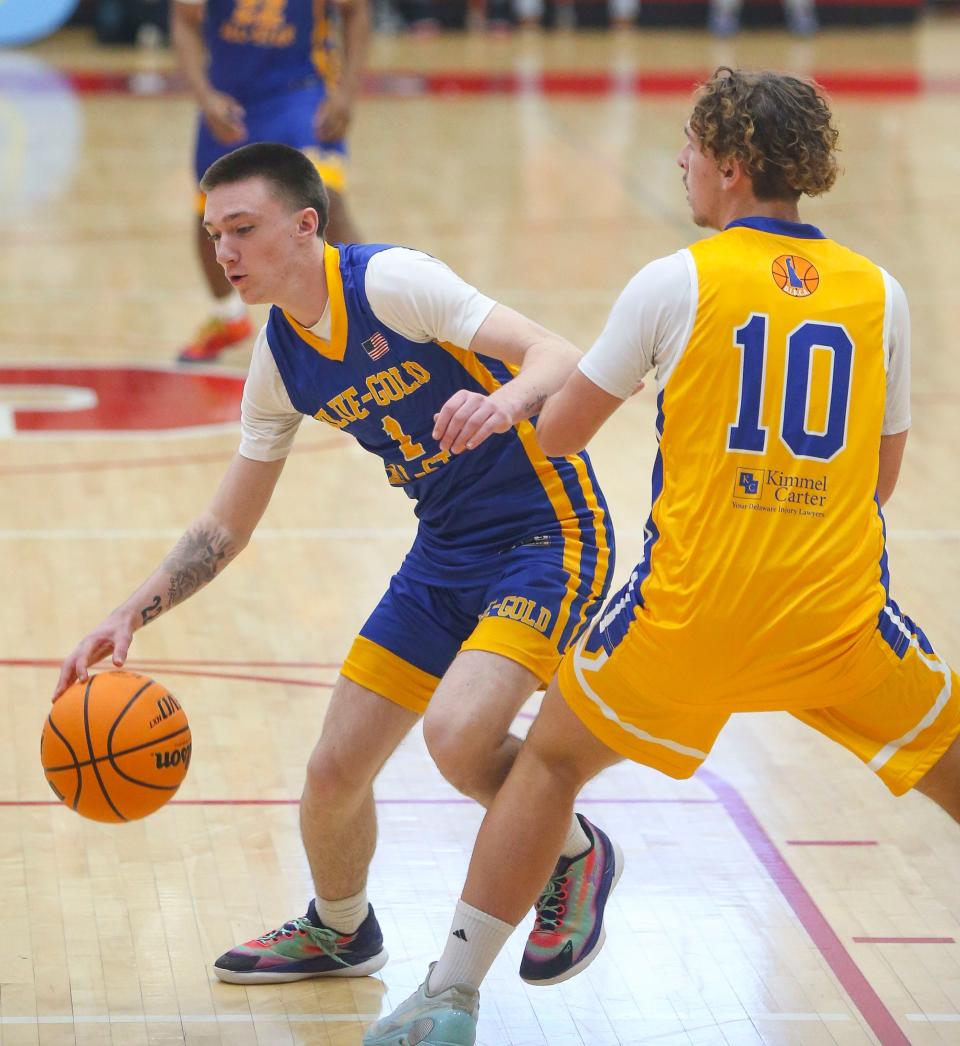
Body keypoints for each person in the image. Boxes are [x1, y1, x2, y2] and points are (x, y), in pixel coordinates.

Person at [363, 67, 960, 1046]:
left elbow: (557, 436)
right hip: (837, 615)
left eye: (689, 143)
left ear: (731, 165)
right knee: (949, 751)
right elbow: (878, 483)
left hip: (688, 617)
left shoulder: (674, 280)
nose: (678, 159)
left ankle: (449, 994)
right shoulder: (879, 291)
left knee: (548, 763)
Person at [54, 141, 619, 986]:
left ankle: (576, 854)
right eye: (214, 236)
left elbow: (561, 355)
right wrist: (129, 612)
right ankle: (340, 930)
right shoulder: (281, 360)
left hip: (549, 535)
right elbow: (226, 525)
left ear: (306, 226)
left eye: (243, 229)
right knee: (332, 773)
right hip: (444, 552)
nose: (226, 255)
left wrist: (500, 403)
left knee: (459, 738)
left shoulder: (392, 284)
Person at [170, 0, 369, 363]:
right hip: (231, 97)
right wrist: (204, 96)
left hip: (300, 91)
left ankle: (370, 315)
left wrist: (346, 94)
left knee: (325, 201)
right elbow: (184, 20)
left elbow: (356, 11)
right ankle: (228, 319)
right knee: (212, 221)